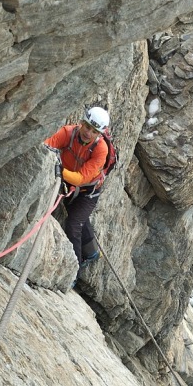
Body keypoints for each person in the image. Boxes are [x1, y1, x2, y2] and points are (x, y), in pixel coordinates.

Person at [45, 106, 110, 269]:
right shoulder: (68, 133)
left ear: (99, 135)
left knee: (74, 225)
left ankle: (74, 269)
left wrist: (59, 169)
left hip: (87, 192)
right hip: (67, 182)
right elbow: (46, 146)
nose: (88, 133)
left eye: (94, 131)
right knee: (79, 218)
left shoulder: (101, 150)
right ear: (82, 123)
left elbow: (81, 178)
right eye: (87, 127)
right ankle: (92, 251)